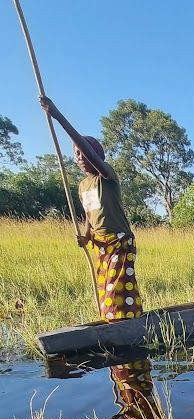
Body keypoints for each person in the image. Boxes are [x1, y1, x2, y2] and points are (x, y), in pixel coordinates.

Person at [38, 96, 142, 322]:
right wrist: (86, 236)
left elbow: (91, 154)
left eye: (84, 152)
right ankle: (112, 324)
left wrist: (58, 116)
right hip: (100, 243)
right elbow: (89, 212)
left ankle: (127, 326)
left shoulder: (107, 175)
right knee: (106, 289)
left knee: (119, 290)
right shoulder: (83, 186)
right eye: (76, 154)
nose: (80, 157)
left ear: (96, 155)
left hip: (119, 240)